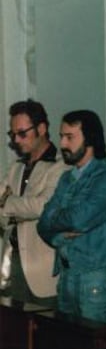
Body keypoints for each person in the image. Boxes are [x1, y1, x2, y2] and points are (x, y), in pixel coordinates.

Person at [37, 110, 106, 324]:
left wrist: (55, 218)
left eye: (70, 137)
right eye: (61, 136)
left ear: (90, 139)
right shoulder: (67, 178)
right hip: (66, 276)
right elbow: (42, 224)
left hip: (95, 279)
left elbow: (79, 219)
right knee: (71, 348)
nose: (63, 144)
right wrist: (58, 236)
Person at [0, 99, 68, 306]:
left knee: (47, 335)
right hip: (13, 269)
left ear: (41, 128)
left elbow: (43, 206)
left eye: (22, 133)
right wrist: (20, 211)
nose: (17, 140)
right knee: (15, 335)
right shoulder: (16, 168)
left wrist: (7, 203)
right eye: (13, 135)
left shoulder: (60, 166)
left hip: (43, 273)